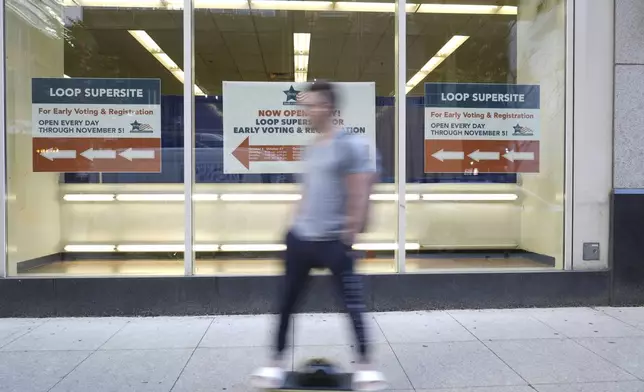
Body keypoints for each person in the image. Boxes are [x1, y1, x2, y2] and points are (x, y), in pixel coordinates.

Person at [250, 80, 386, 391]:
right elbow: (308, 191)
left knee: (351, 304)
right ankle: (275, 363)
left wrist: (351, 233)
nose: (304, 112)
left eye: (310, 106)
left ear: (326, 107)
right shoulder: (312, 148)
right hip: (301, 240)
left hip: (334, 242)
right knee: (286, 303)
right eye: (303, 106)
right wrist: (292, 227)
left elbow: (361, 189)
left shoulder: (349, 145)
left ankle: (366, 366)